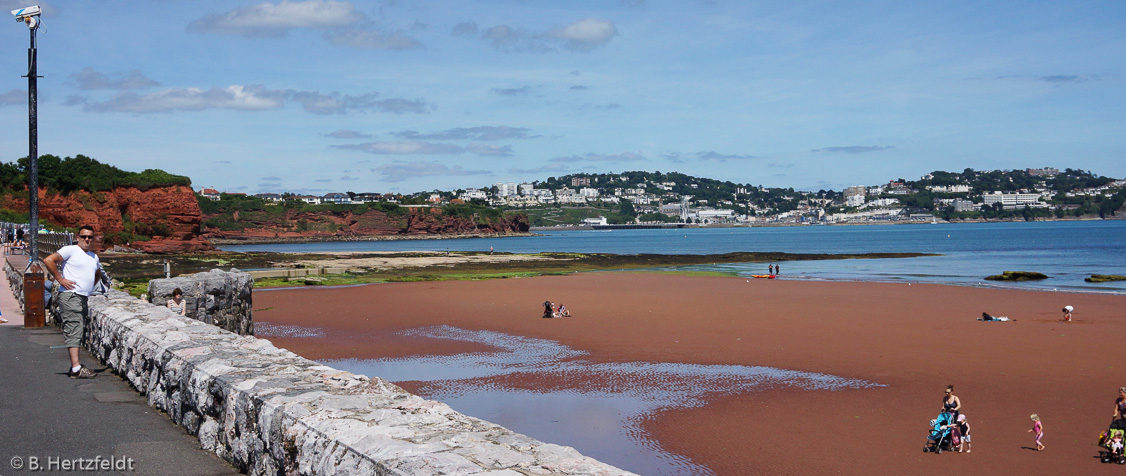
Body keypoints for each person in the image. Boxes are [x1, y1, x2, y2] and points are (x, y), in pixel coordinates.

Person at [42, 226, 105, 379]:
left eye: (90, 237)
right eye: (84, 236)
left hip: (82, 297)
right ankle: (76, 369)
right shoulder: (70, 250)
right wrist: (60, 279)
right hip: (71, 296)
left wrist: (89, 286)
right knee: (74, 328)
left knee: (77, 328)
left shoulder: (93, 257)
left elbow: (97, 273)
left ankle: (75, 366)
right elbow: (48, 260)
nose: (87, 239)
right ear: (78, 237)